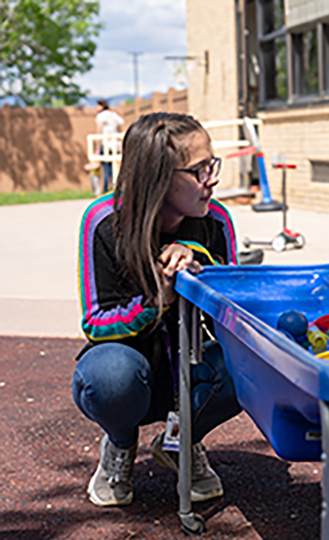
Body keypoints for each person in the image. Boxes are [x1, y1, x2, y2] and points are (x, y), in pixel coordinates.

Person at [72, 112, 242, 507]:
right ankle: (119, 443)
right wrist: (157, 301)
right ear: (159, 176)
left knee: (249, 367)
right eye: (199, 170)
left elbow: (233, 317)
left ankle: (181, 440)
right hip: (129, 365)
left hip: (191, 367)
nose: (212, 179)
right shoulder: (105, 221)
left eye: (211, 165)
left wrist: (198, 261)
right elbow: (95, 322)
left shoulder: (216, 221)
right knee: (111, 377)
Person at [95, 99, 124, 193]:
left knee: (106, 167)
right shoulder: (114, 115)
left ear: (101, 106)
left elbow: (99, 131)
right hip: (115, 144)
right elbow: (119, 128)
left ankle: (105, 189)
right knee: (114, 167)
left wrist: (97, 148)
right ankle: (114, 187)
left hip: (106, 144)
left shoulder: (101, 116)